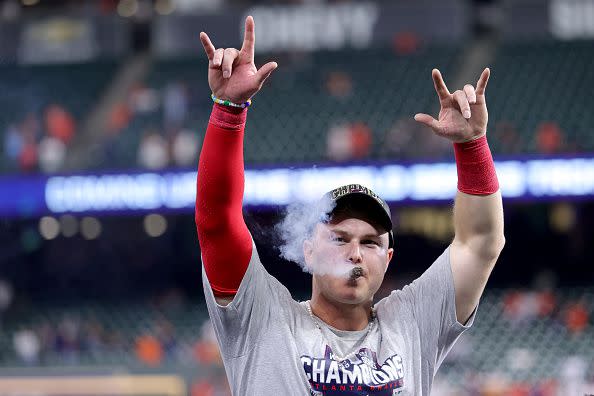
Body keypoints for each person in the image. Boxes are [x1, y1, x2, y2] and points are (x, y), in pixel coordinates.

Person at [195, 16, 504, 395]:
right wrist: (228, 109)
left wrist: (473, 146)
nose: (355, 253)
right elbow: (217, 223)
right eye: (339, 238)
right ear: (307, 250)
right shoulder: (264, 318)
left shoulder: (411, 322)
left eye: (371, 242)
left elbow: (480, 243)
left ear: (388, 259)